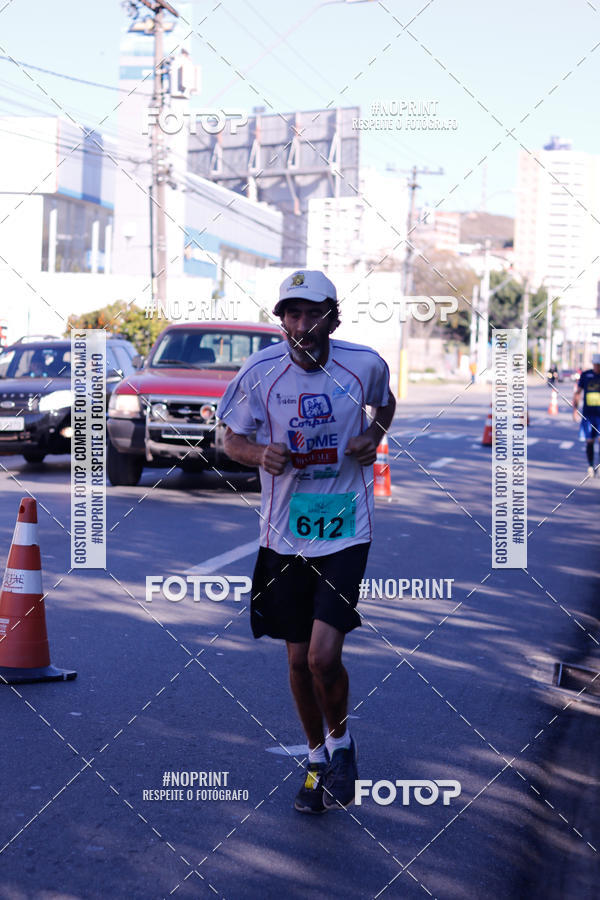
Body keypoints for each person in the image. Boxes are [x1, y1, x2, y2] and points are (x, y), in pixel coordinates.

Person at [217, 270, 396, 814]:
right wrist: (257, 456)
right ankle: (317, 760)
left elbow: (384, 405)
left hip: (344, 526)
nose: (300, 325)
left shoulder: (363, 364)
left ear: (332, 318)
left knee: (322, 656)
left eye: (311, 313)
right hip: (282, 536)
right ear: (282, 322)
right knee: (297, 661)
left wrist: (373, 435)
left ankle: (342, 746)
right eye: (290, 315)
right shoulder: (259, 373)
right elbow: (230, 437)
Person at [573, 353, 600, 477]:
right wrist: (575, 410)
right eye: (596, 364)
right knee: (589, 441)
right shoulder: (586, 375)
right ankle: (590, 466)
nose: (597, 367)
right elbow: (577, 393)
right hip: (588, 415)